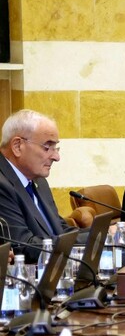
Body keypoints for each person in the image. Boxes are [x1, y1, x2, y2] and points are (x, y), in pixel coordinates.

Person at [0, 109, 80, 261]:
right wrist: (95, 239)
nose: (56, 157)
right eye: (47, 147)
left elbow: (61, 231)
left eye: (56, 148)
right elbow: (24, 246)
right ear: (17, 146)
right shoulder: (2, 186)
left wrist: (105, 234)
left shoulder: (39, 182)